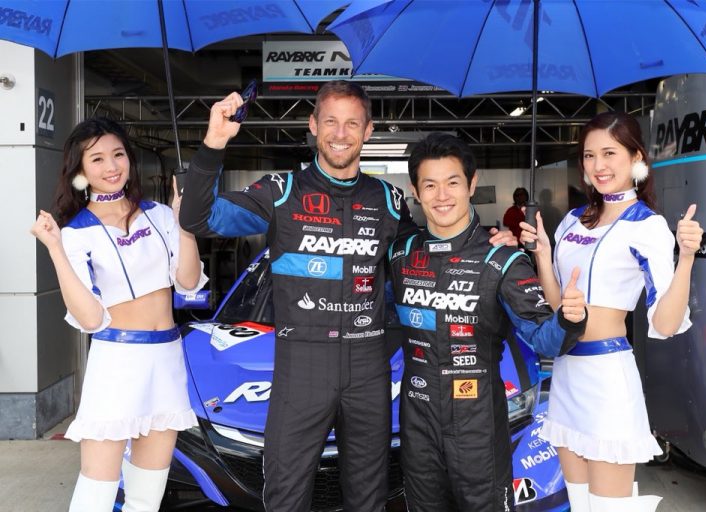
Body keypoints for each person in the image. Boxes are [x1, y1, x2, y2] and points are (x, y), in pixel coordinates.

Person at [178, 81, 515, 512]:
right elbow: (198, 217)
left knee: (368, 497)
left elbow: (429, 254)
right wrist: (214, 143)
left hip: (368, 367)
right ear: (313, 125)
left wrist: (489, 242)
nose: (341, 133)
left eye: (352, 123)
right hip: (301, 365)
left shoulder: (388, 200)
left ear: (368, 130)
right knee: (285, 495)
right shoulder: (281, 191)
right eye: (331, 122)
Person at [388, 133, 588, 511]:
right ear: (415, 191)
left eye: (452, 183)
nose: (442, 195)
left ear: (471, 184)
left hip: (478, 426)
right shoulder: (400, 255)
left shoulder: (503, 258)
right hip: (416, 424)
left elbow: (545, 340)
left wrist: (569, 319)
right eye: (430, 185)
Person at [519, 112, 703, 512]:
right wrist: (544, 255)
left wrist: (686, 257)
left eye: (609, 153)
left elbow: (666, 323)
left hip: (607, 382)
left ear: (636, 157)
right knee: (578, 504)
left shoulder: (647, 226)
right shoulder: (571, 222)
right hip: (565, 374)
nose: (598, 165)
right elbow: (559, 307)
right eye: (589, 155)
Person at [29, 117, 207, 512]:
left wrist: (186, 224)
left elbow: (189, 282)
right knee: (96, 493)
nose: (111, 167)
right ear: (79, 170)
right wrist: (55, 249)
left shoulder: (161, 215)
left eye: (118, 154)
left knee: (146, 496)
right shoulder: (75, 233)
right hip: (116, 363)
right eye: (97, 159)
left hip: (166, 360)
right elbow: (91, 319)